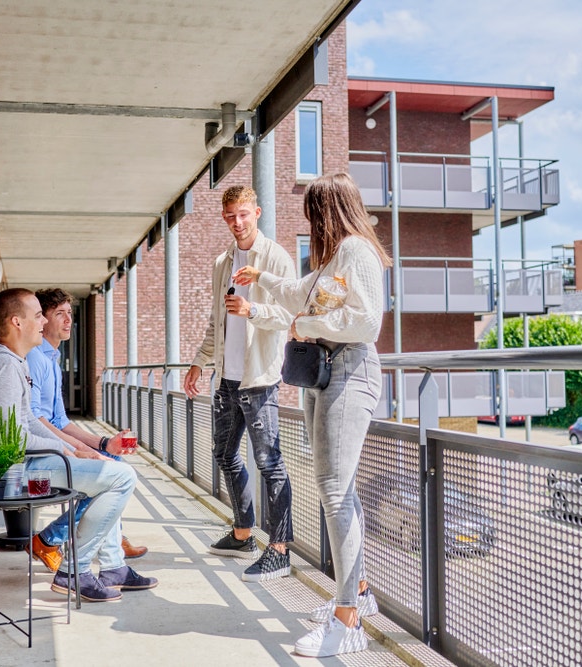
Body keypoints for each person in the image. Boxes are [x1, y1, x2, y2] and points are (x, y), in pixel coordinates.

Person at [232, 173, 390, 657]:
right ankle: (358, 595)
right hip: (327, 373)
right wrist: (261, 283)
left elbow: (367, 321)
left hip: (351, 370)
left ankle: (346, 622)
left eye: (312, 214)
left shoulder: (357, 252)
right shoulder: (335, 258)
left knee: (335, 490)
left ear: (327, 211)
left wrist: (307, 324)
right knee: (333, 487)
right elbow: (299, 294)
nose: (310, 223)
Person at [0, 287, 157, 602]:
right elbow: (16, 437)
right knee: (121, 478)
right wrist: (70, 451)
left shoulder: (15, 362)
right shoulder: (3, 368)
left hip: (23, 469)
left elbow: (27, 424)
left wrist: (78, 451)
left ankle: (111, 569)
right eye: (39, 315)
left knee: (108, 473)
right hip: (14, 481)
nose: (42, 322)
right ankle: (75, 571)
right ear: (16, 322)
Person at [184, 185, 296, 582]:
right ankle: (244, 533)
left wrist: (252, 310)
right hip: (226, 379)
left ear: (257, 213)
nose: (237, 222)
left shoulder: (276, 257)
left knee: (270, 463)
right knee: (225, 454)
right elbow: (218, 320)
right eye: (230, 215)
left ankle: (280, 549)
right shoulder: (223, 262)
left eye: (243, 214)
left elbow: (289, 315)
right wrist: (200, 362)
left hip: (259, 378)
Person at [27, 287, 147, 559]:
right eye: (60, 314)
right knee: (110, 474)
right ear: (43, 320)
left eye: (70, 313)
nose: (69, 320)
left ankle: (108, 537)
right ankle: (51, 539)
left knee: (114, 462)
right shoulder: (36, 359)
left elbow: (62, 421)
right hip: (40, 456)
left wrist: (105, 444)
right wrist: (80, 451)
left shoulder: (52, 360)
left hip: (52, 447)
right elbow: (37, 420)